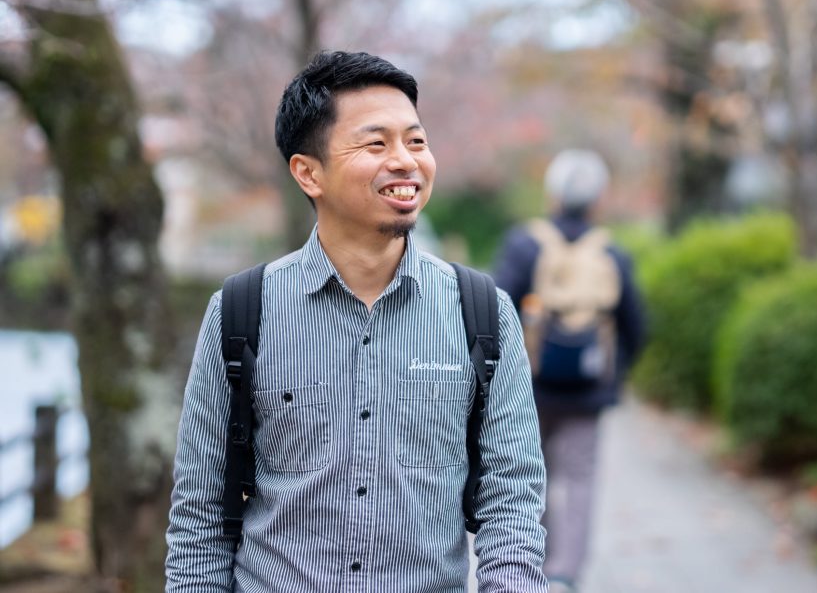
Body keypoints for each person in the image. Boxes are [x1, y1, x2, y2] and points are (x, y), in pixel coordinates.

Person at [165, 51, 547, 592]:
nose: (406, 161)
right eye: (376, 144)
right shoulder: (240, 312)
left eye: (416, 141)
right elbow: (199, 515)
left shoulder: (480, 311)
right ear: (309, 173)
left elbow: (512, 502)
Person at [492, 149, 645, 593]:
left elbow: (495, 309)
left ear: (552, 195)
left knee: (527, 476)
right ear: (598, 200)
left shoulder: (524, 244)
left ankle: (534, 566)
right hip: (588, 390)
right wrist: (616, 373)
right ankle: (566, 574)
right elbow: (636, 325)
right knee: (579, 478)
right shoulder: (612, 251)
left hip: (529, 389)